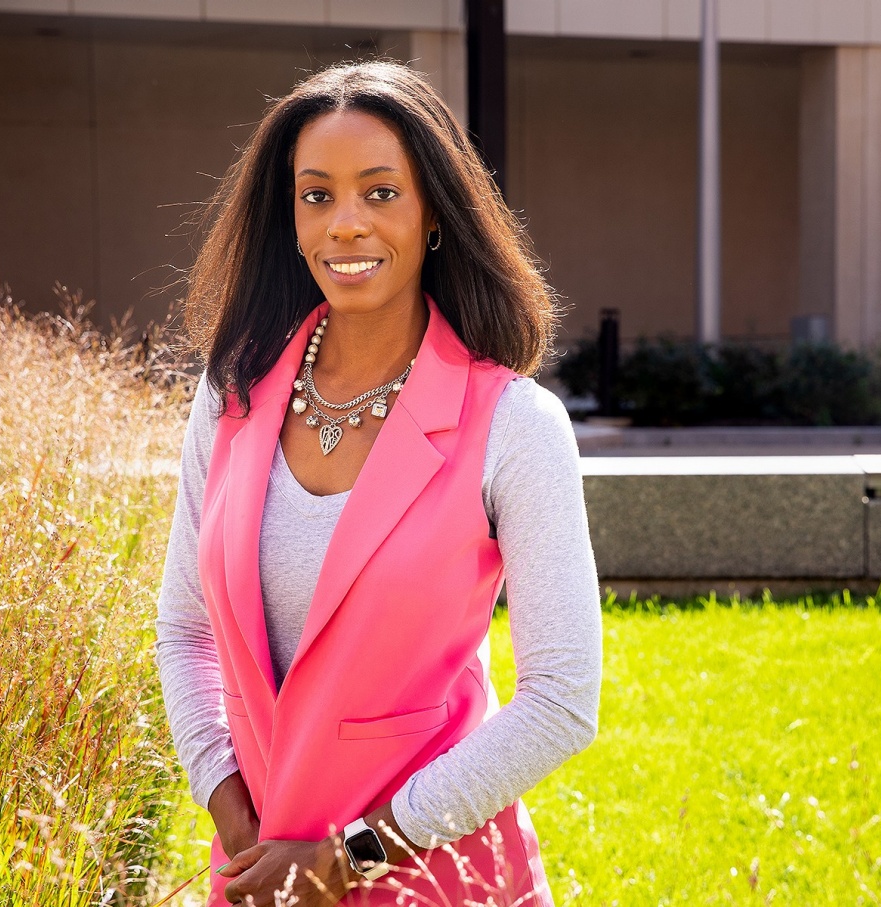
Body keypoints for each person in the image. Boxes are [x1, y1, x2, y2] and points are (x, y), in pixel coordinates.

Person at [154, 59, 602, 906]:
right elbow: (184, 629)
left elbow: (562, 701)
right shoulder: (230, 396)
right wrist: (243, 827)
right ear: (288, 219)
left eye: (381, 192)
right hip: (254, 879)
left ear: (433, 210)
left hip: (441, 877)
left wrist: (347, 855)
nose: (346, 224)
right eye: (317, 195)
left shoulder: (517, 425)